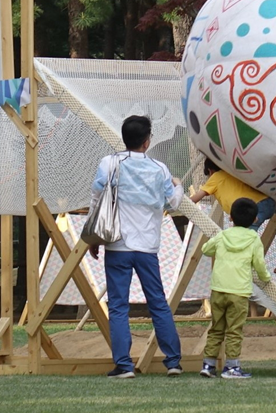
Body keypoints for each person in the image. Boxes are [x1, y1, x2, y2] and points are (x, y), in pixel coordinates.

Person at [89, 115, 184, 379]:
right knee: (158, 303)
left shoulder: (109, 163)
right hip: (148, 246)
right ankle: (173, 361)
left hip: (117, 243)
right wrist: (179, 185)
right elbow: (173, 204)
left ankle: (123, 364)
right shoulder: (160, 169)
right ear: (147, 141)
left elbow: (96, 199)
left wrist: (94, 238)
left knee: (118, 306)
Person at [199, 198, 272, 379]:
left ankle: (208, 365)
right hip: (239, 292)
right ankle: (231, 368)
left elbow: (206, 249)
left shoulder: (223, 235)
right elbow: (259, 264)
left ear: (230, 217)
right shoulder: (254, 238)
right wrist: (266, 278)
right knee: (234, 330)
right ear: (255, 220)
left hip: (218, 290)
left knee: (216, 328)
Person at [189, 158, 276, 231]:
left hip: (250, 209)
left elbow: (195, 198)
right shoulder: (231, 173)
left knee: (242, 238)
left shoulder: (215, 177)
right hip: (268, 202)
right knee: (246, 234)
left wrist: (179, 199)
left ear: (210, 171)